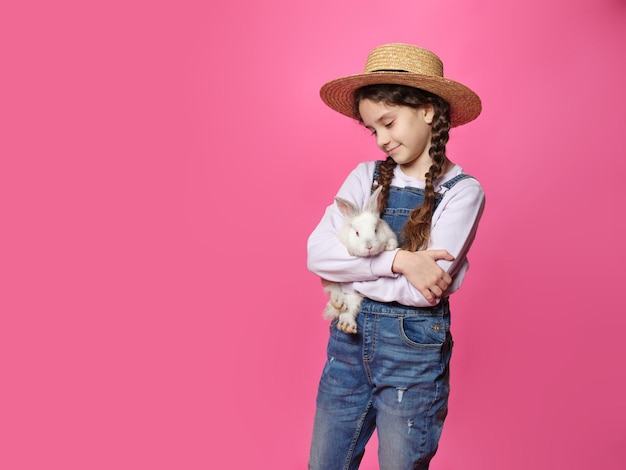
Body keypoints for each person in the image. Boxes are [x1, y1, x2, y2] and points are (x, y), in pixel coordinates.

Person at [307, 43, 486, 469]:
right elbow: (317, 253)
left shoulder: (462, 193)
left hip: (413, 353)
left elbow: (423, 294)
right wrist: (400, 261)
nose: (382, 139)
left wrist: (350, 272)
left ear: (427, 109)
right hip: (347, 347)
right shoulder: (363, 177)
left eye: (388, 123)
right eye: (373, 130)